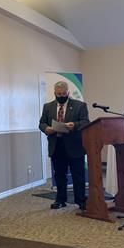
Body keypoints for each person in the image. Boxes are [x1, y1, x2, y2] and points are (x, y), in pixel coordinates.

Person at [39, 81, 89, 210]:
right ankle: (60, 199)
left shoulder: (80, 106)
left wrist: (75, 125)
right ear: (55, 93)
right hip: (57, 145)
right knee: (59, 175)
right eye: (58, 93)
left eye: (63, 93)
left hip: (74, 145)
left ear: (68, 93)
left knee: (78, 175)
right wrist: (47, 129)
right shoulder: (48, 106)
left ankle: (81, 200)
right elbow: (42, 123)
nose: (61, 95)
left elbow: (85, 122)